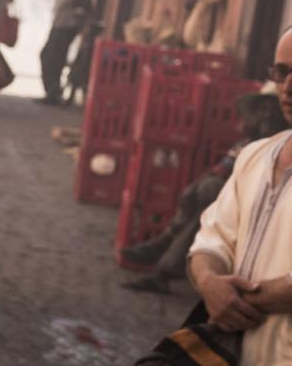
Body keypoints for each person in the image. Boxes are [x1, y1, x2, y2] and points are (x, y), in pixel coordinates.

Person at [184, 26, 292, 363]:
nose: (288, 87)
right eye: (282, 72)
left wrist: (232, 301)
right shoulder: (255, 156)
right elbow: (212, 240)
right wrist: (208, 280)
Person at [122, 90, 287, 293]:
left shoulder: (272, 145)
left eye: (265, 111)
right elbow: (228, 165)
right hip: (228, 195)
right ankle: (166, 242)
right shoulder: (249, 143)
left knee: (207, 211)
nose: (260, 116)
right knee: (201, 193)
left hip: (254, 207)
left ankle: (164, 265)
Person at [39, 0, 92, 105]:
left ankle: (53, 91)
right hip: (60, 20)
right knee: (49, 55)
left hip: (68, 22)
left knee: (54, 56)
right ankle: (52, 90)